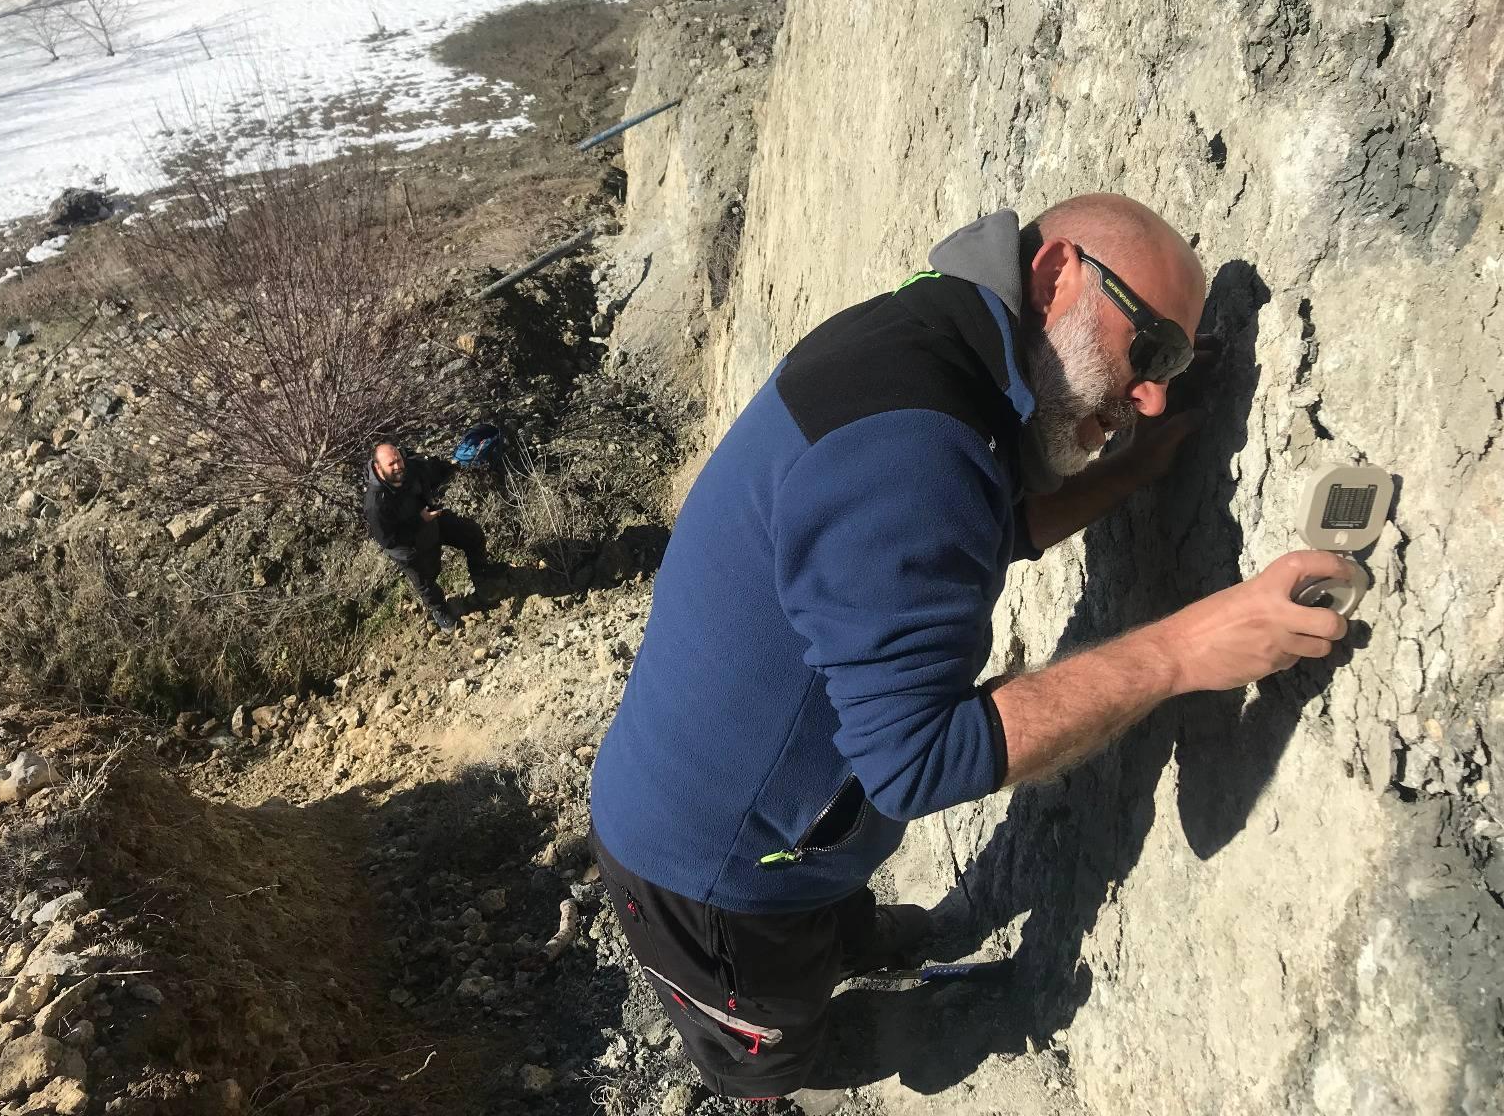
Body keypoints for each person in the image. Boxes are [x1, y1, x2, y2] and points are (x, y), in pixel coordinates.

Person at [587, 194, 1353, 1099]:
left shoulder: (940, 345)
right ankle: (801, 1054)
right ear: (1056, 272)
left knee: (825, 912)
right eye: (1149, 348)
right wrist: (1184, 652)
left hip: (766, 802)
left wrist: (1129, 470)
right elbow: (915, 761)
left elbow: (975, 521)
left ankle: (843, 935)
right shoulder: (910, 443)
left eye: (1174, 364)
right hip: (704, 872)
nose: (1151, 393)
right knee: (766, 1054)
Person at [364, 441, 491, 631]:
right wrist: (419, 520)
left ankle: (482, 579)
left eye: (399, 459)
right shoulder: (375, 504)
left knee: (472, 534)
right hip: (408, 545)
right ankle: (440, 611)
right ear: (378, 467)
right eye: (391, 464)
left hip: (430, 519)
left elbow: (432, 470)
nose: (398, 466)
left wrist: (453, 467)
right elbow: (388, 540)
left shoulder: (410, 468)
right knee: (426, 582)